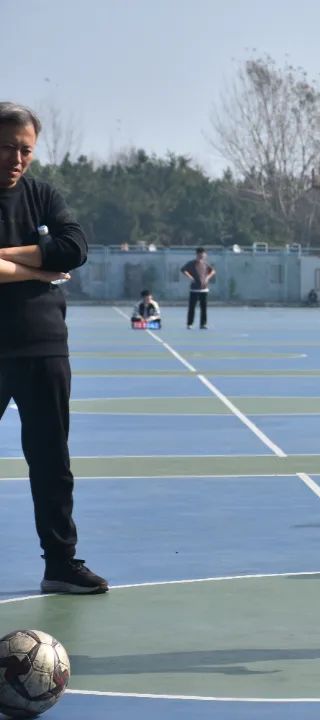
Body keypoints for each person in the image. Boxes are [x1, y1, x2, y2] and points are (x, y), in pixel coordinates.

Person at [0, 102, 107, 594]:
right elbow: (55, 257)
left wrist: (8, 258)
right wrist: (40, 269)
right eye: (7, 148)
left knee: (51, 464)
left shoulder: (43, 196)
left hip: (44, 349)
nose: (17, 159)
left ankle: (60, 564)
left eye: (26, 150)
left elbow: (75, 249)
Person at [181, 247, 214, 329]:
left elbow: (213, 271)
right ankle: (190, 323)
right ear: (197, 255)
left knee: (204, 308)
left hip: (204, 289)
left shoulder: (206, 264)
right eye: (199, 255)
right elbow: (183, 270)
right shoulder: (191, 263)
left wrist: (207, 278)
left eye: (202, 255)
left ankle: (203, 324)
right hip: (194, 289)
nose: (201, 256)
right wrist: (190, 277)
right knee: (192, 307)